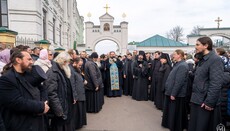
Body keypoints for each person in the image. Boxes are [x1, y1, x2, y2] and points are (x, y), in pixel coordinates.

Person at [0, 51, 50, 131]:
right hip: (21, 124)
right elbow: (16, 102)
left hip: (38, 122)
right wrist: (40, 106)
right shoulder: (6, 79)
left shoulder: (30, 74)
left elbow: (42, 89)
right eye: (29, 59)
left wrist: (45, 103)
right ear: (18, 60)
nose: (32, 62)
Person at [188, 37, 224, 131]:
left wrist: (209, 102)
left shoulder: (215, 59)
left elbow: (216, 83)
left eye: (197, 44)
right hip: (197, 99)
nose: (195, 47)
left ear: (206, 45)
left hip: (205, 102)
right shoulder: (202, 60)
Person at [43, 52, 77, 131]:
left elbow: (68, 85)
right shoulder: (52, 72)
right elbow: (51, 93)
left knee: (68, 124)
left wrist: (73, 97)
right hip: (60, 107)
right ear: (63, 62)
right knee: (60, 126)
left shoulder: (62, 69)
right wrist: (59, 110)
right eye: (67, 62)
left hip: (66, 104)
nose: (68, 64)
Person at [161, 49, 189, 131]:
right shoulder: (177, 64)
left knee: (175, 112)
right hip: (171, 91)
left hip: (177, 94)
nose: (173, 56)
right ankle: (169, 124)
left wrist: (173, 93)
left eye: (174, 54)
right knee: (171, 111)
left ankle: (175, 126)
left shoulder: (183, 66)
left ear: (179, 55)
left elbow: (179, 82)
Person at [72, 57, 87, 129]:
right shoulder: (73, 71)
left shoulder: (78, 70)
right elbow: (73, 85)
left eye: (81, 65)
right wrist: (75, 96)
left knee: (81, 110)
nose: (80, 67)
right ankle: (77, 125)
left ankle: (80, 124)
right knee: (77, 111)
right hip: (77, 94)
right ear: (74, 63)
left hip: (81, 92)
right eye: (79, 65)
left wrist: (83, 81)